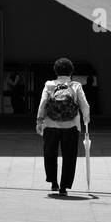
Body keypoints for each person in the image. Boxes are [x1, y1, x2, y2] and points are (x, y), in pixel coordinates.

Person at [36, 58, 91, 196]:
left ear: (56, 71)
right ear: (71, 71)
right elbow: (85, 105)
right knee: (69, 156)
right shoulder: (76, 85)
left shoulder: (49, 85)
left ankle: (53, 182)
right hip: (71, 126)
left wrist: (39, 121)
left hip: (50, 124)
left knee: (50, 153)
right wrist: (86, 121)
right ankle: (64, 187)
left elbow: (43, 103)